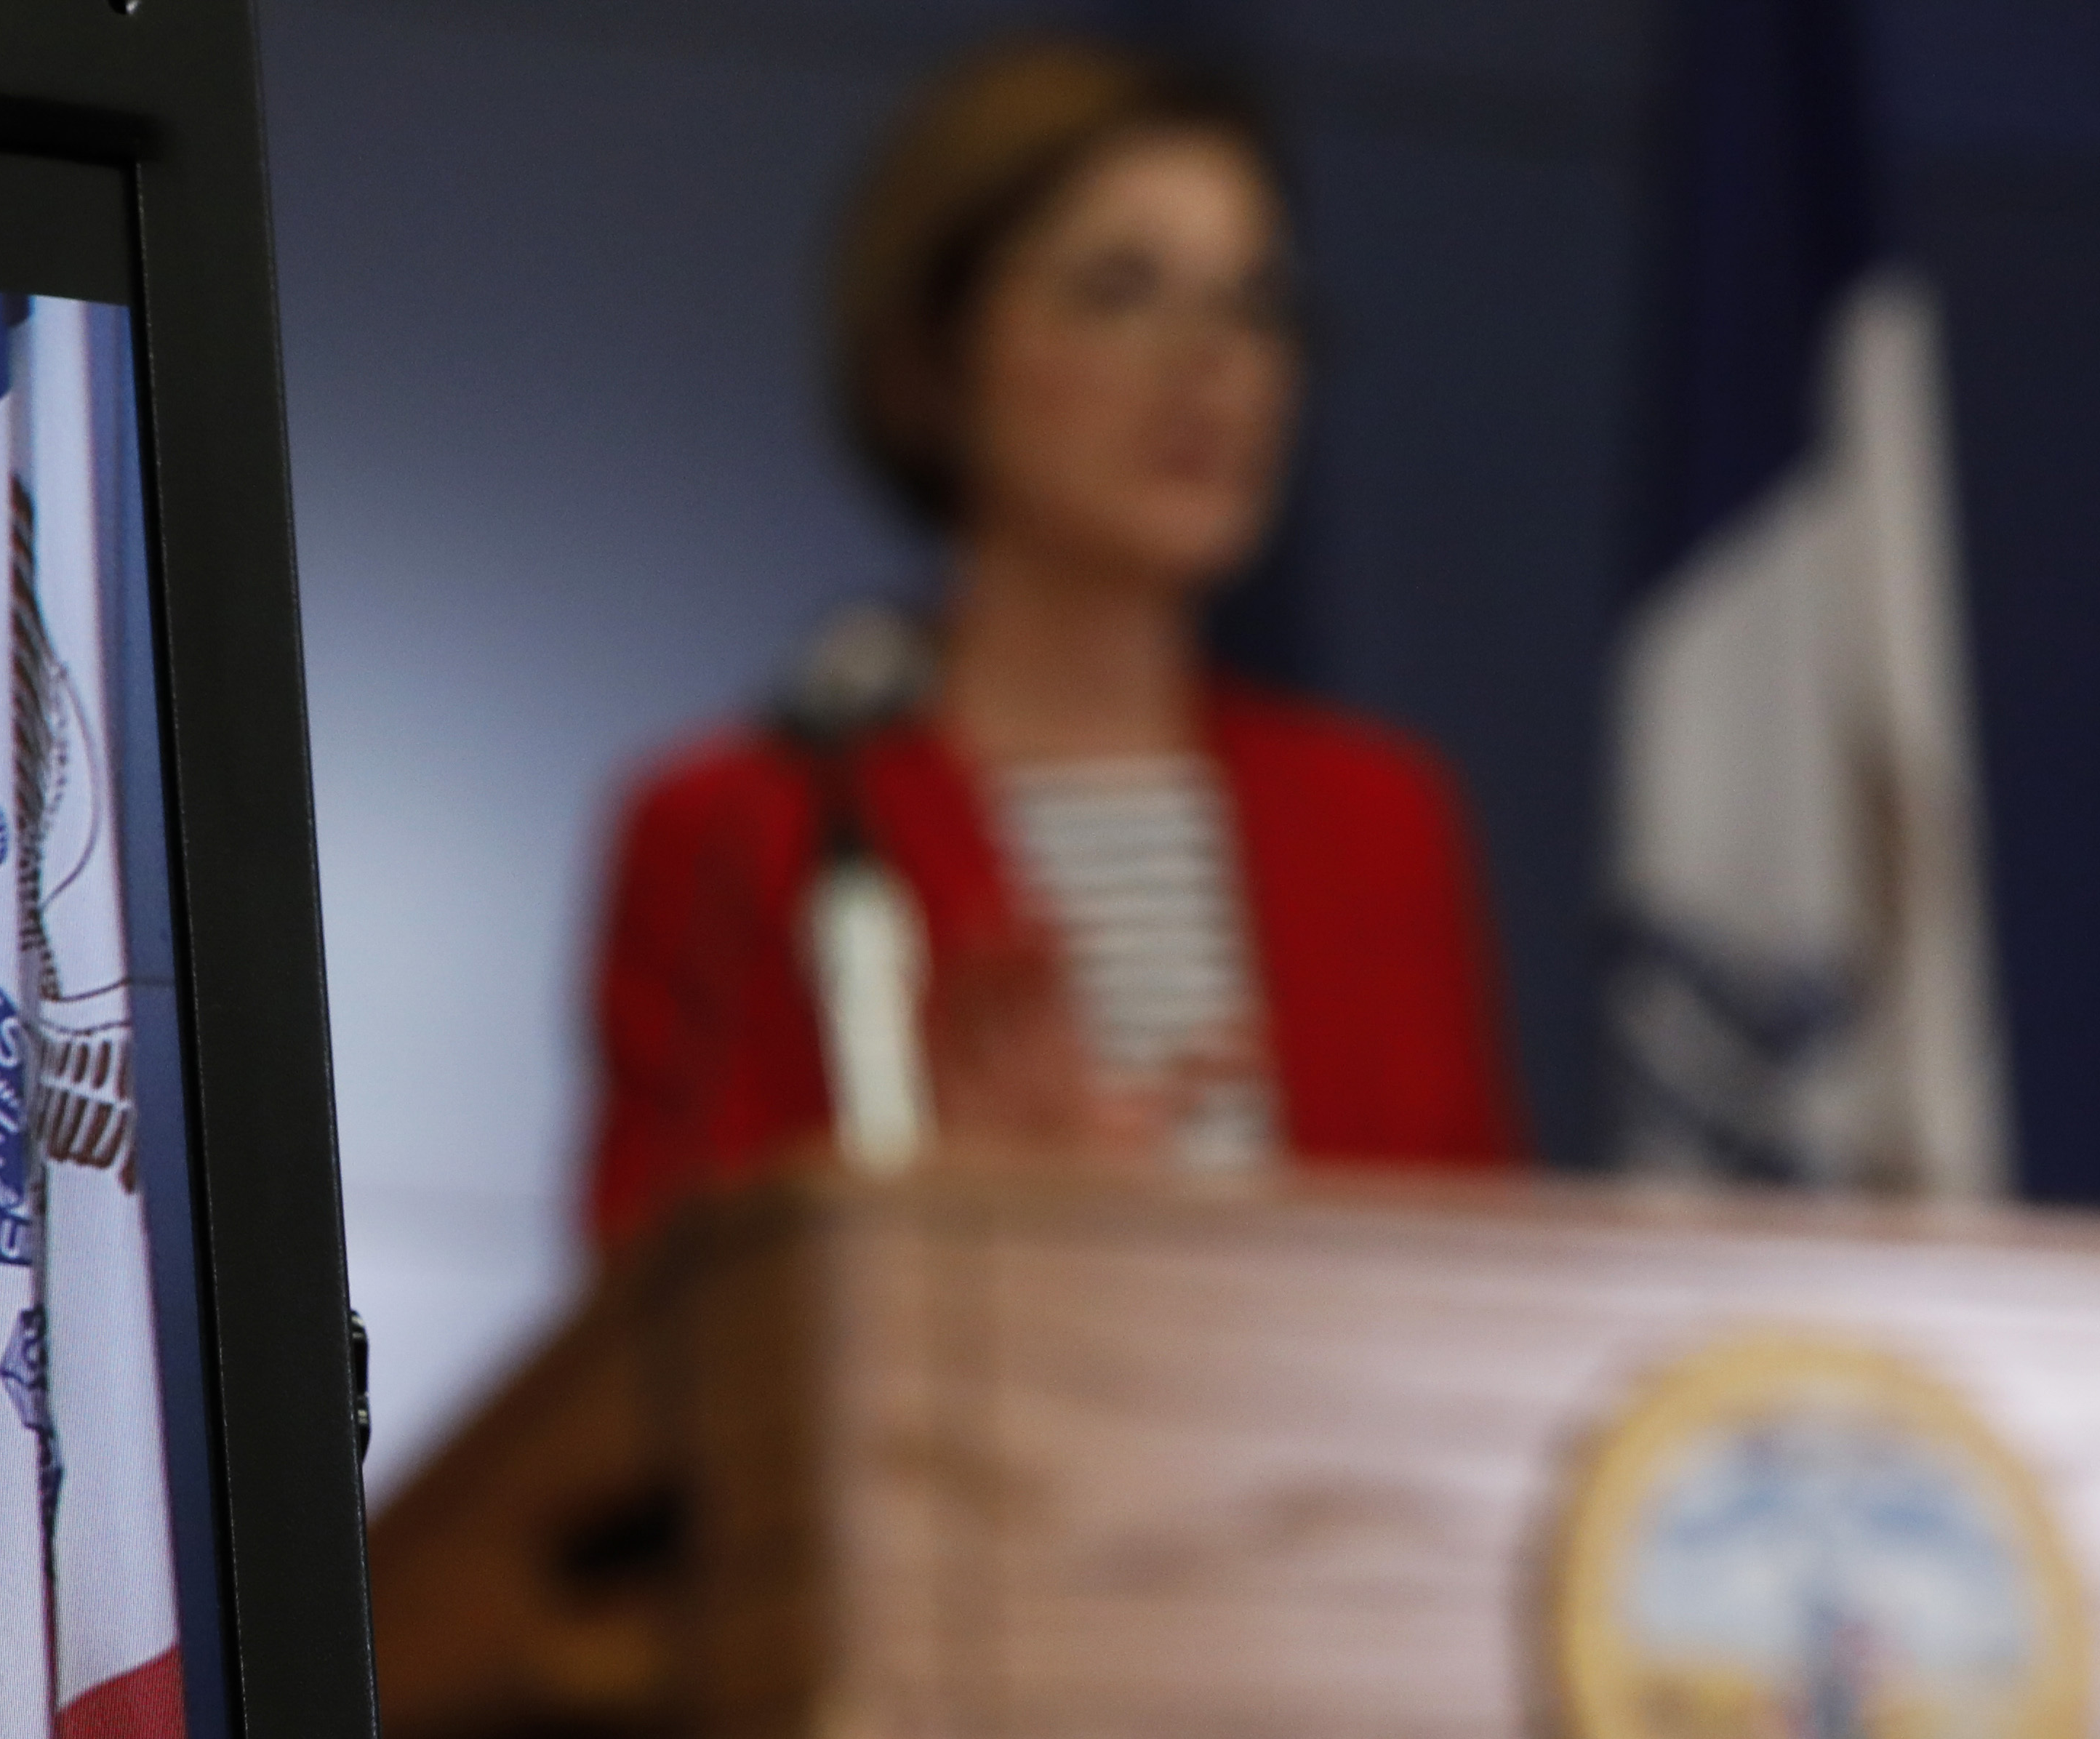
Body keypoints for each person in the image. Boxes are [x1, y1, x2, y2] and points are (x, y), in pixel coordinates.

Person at [588, 40, 1518, 1249]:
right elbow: (660, 1346)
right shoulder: (742, 829)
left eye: (1255, 302)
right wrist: (957, 1235)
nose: (1211, 361)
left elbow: (1489, 1293)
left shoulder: (1383, 818)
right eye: (1119, 288)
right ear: (932, 361)